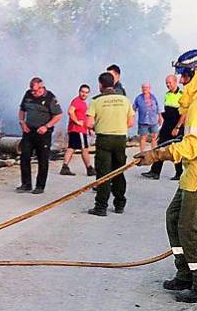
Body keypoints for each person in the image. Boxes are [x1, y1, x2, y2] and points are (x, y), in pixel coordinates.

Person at [135, 49, 197, 303]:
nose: (180, 80)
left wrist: (155, 155)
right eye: (180, 74)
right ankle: (186, 273)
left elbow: (191, 147)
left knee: (191, 228)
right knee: (174, 217)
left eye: (185, 75)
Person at [85, 72, 134, 216]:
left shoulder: (95, 101)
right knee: (119, 171)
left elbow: (89, 123)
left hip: (104, 139)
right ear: (113, 83)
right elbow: (131, 122)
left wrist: (99, 125)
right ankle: (119, 204)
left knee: (103, 174)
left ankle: (101, 207)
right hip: (120, 139)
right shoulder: (124, 100)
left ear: (100, 84)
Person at [16, 77, 63, 194]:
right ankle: (26, 184)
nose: (34, 93)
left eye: (36, 91)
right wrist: (22, 122)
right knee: (24, 157)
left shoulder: (50, 98)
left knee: (42, 159)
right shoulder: (28, 95)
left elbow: (58, 115)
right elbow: (22, 110)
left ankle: (40, 186)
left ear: (42, 87)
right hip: (28, 131)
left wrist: (46, 126)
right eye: (32, 91)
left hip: (43, 133)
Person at [142, 75, 184, 180]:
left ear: (175, 82)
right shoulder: (167, 94)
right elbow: (168, 111)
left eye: (169, 82)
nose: (167, 84)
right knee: (160, 148)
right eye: (166, 83)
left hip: (176, 126)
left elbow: (184, 114)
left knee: (176, 150)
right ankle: (155, 172)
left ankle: (179, 173)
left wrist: (177, 127)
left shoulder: (182, 95)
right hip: (166, 126)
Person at [62, 84, 94, 176]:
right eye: (82, 92)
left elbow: (85, 118)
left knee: (71, 148)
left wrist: (89, 129)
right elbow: (70, 111)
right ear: (79, 92)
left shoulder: (83, 103)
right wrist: (76, 122)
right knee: (84, 148)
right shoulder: (77, 101)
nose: (84, 94)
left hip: (76, 129)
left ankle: (65, 167)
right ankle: (89, 168)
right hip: (78, 129)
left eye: (86, 92)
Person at [133, 83, 163, 152]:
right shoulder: (138, 98)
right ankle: (142, 152)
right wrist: (132, 118)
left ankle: (154, 152)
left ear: (149, 88)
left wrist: (160, 117)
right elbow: (134, 108)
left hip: (153, 121)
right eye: (143, 87)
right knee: (143, 138)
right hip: (143, 121)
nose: (145, 89)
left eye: (146, 87)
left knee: (154, 137)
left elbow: (158, 108)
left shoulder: (153, 97)